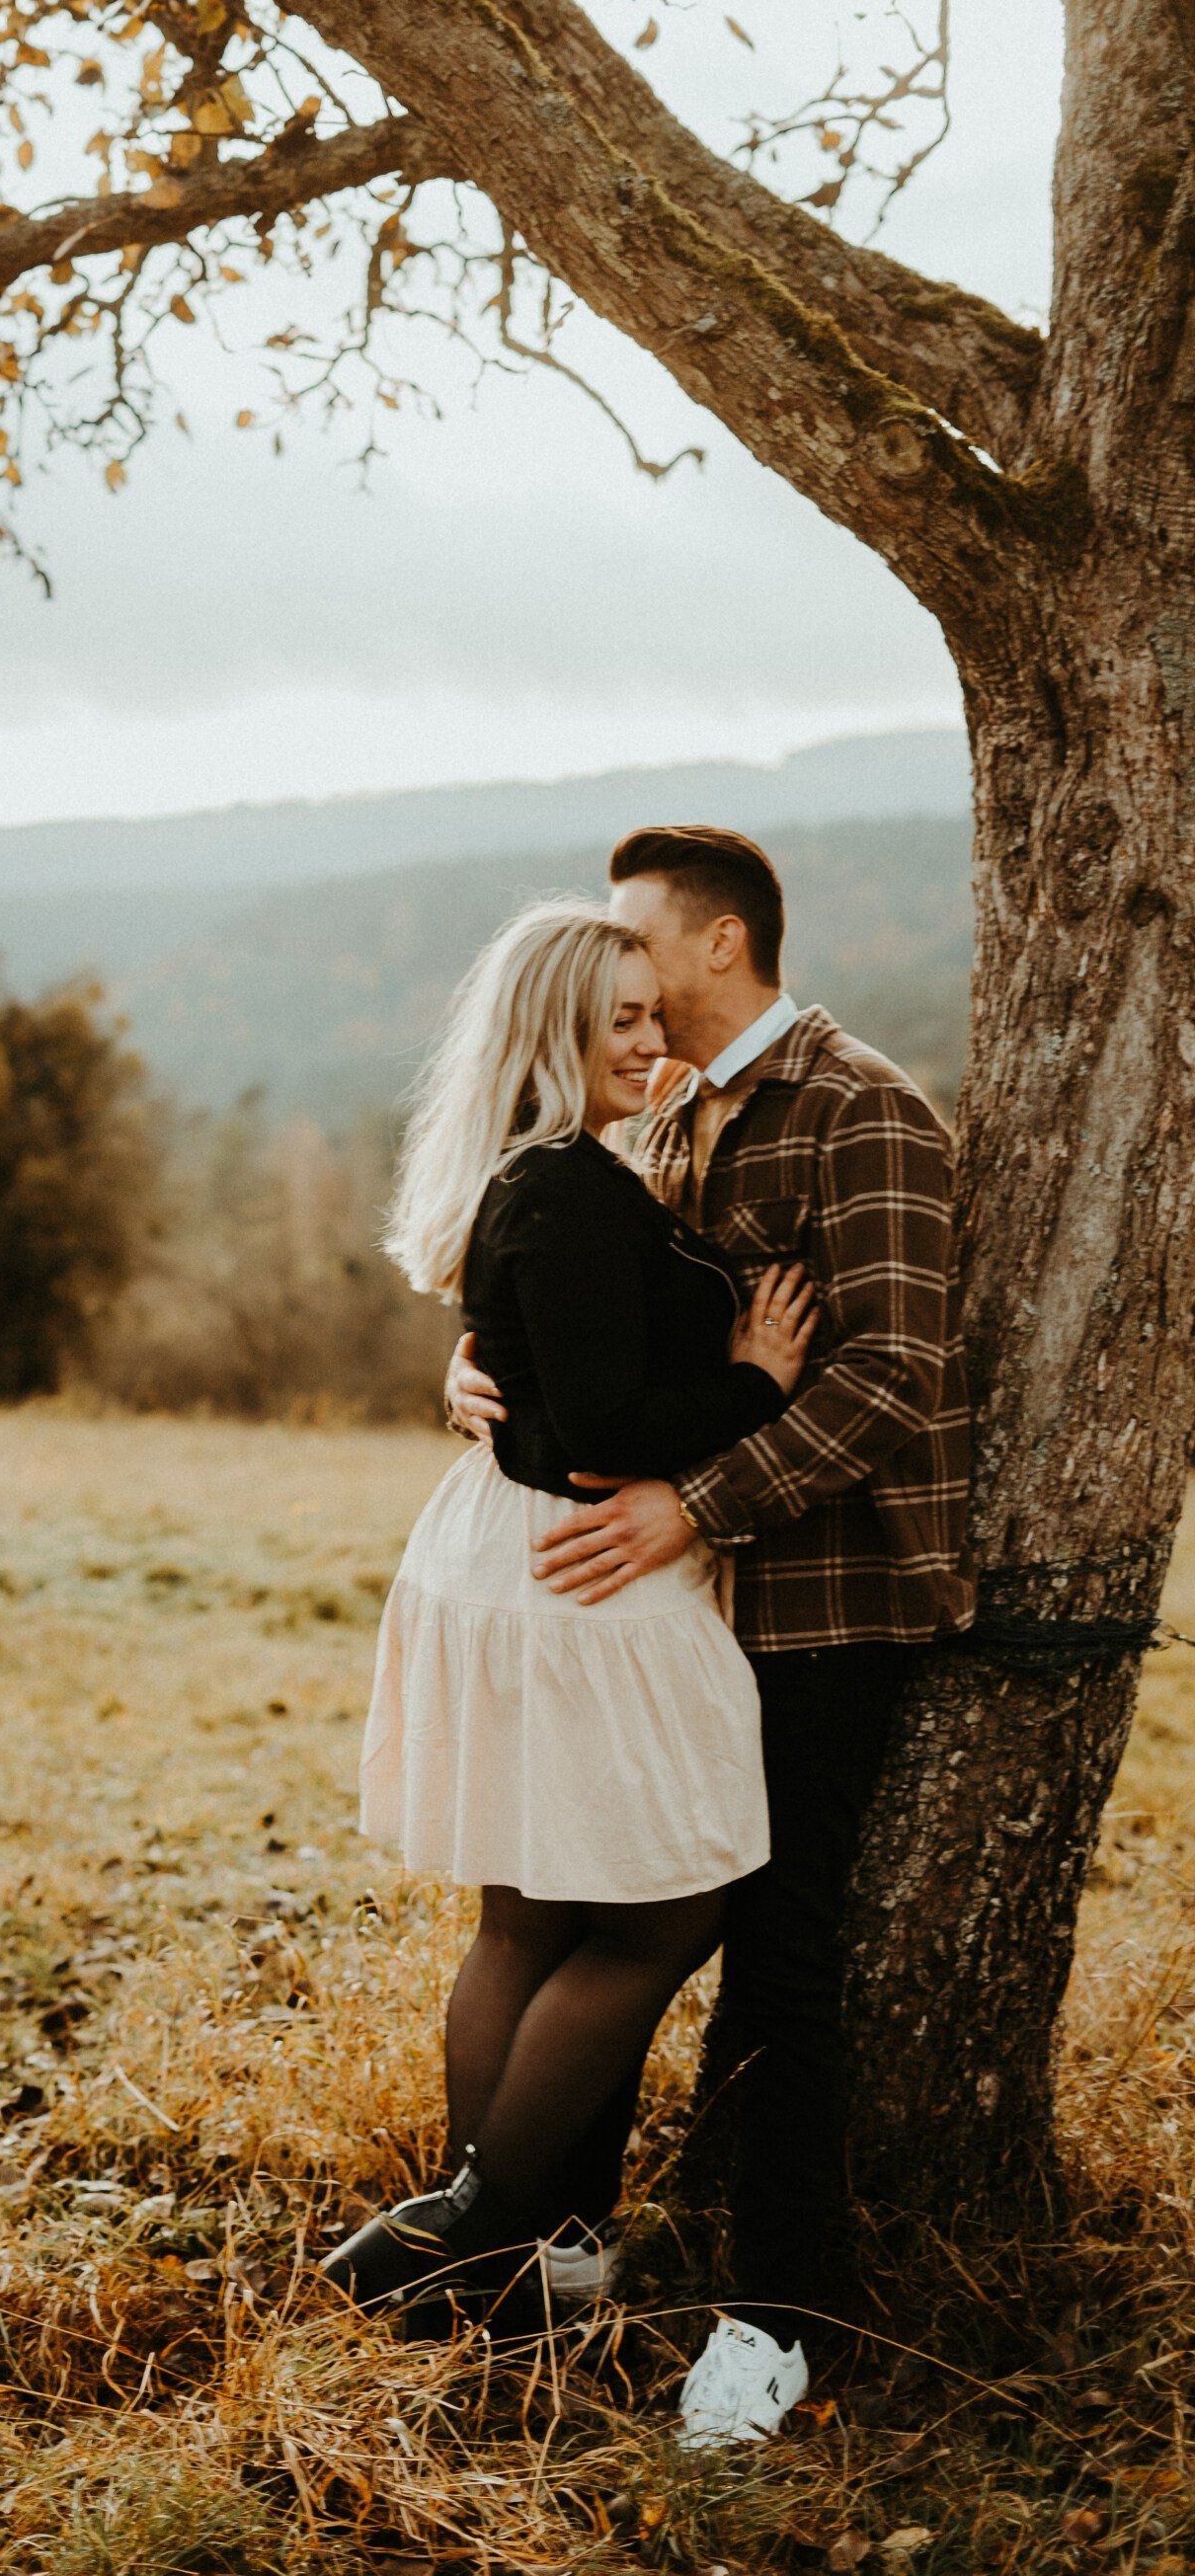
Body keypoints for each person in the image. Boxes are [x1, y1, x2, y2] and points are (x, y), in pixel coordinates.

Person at [444, 826, 971, 2449]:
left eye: (640, 941)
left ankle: (775, 2319)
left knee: (783, 1958)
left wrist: (700, 1504)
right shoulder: (665, 1111)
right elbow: (592, 1322)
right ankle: (555, 2239)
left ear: (723, 942)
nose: (623, 973)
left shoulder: (862, 1109)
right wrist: (475, 1371)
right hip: (659, 1605)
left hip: (817, 1599)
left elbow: (893, 1377)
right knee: (597, 1897)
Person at [324, 898, 817, 2340]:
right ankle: (473, 2224)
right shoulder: (568, 1186)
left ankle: (487, 2263)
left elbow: (544, 1371)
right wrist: (755, 1382)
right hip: (578, 1572)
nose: (649, 1042)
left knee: (532, 1914)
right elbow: (602, 1434)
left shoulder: (550, 1173)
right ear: (551, 1032)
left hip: (520, 1554)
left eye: (654, 1015)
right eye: (620, 1021)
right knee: (668, 1907)